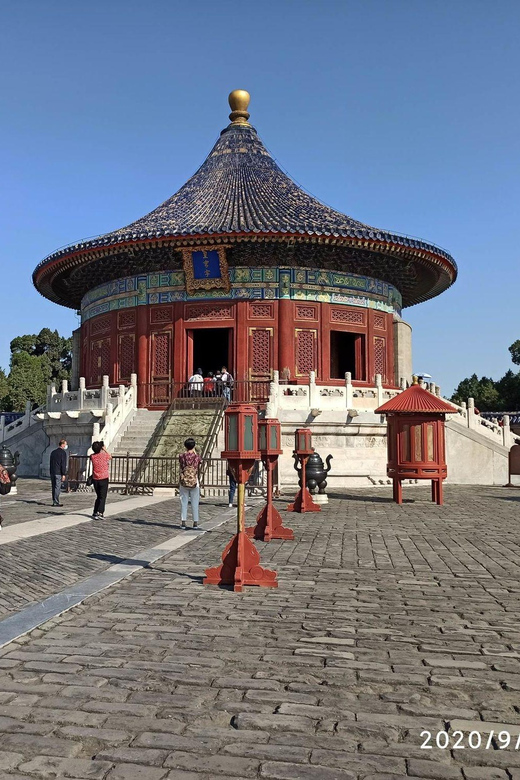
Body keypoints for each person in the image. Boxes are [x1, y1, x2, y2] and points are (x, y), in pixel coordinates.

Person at [179, 437, 202, 530]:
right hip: (194, 481)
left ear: (185, 446)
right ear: (194, 446)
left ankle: (183, 521)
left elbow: (181, 465)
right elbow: (200, 463)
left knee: (183, 501)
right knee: (195, 501)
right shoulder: (197, 457)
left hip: (184, 480)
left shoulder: (182, 456)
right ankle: (195, 522)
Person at [90, 440, 111, 520]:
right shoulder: (104, 455)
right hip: (104, 478)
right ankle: (100, 512)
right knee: (103, 496)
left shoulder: (92, 456)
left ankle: (95, 511)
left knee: (98, 496)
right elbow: (110, 456)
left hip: (95, 478)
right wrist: (104, 449)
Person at [49, 439, 68, 507]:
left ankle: (54, 500)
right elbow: (63, 464)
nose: (66, 446)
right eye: (65, 444)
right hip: (58, 472)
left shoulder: (53, 452)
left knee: (53, 487)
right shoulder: (63, 453)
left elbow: (51, 463)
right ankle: (56, 502)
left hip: (53, 472)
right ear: (62, 445)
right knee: (57, 487)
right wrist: (64, 474)